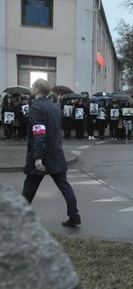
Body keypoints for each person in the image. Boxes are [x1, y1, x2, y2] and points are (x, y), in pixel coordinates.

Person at [22, 78, 81, 227]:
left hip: (41, 154)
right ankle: (74, 216)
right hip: (56, 153)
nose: (31, 88)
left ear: (37, 89)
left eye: (33, 86)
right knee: (65, 186)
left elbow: (39, 132)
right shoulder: (55, 107)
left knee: (29, 188)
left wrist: (38, 158)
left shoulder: (36, 107)